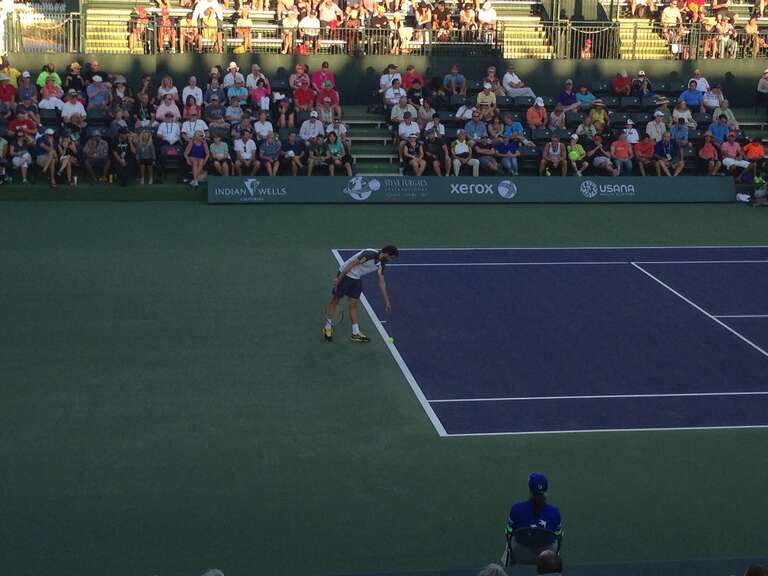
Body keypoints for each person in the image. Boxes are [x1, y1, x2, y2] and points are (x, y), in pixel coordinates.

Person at [323, 246, 399, 343]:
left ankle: (355, 333)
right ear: (387, 253)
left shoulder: (381, 264)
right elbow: (350, 265)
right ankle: (327, 327)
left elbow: (381, 282)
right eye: (391, 257)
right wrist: (338, 280)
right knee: (335, 301)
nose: (390, 260)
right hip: (345, 275)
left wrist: (386, 300)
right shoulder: (369, 255)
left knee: (353, 305)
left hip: (356, 278)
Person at [503, 473, 562, 566]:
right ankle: (554, 566)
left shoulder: (516, 508)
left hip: (521, 554)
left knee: (509, 540)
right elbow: (558, 536)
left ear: (530, 491)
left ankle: (508, 567)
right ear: (546, 492)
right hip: (546, 557)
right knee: (556, 541)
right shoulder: (555, 512)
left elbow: (508, 532)